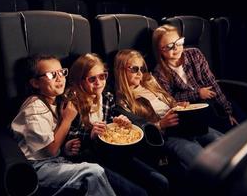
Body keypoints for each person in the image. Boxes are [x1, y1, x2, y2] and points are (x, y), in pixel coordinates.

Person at [11, 54, 147, 196]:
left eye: (61, 72)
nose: (59, 78)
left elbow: (55, 139)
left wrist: (65, 147)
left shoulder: (56, 101)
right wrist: (67, 120)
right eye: (52, 75)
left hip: (57, 159)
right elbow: (49, 150)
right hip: (35, 167)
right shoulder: (35, 107)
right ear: (35, 83)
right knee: (93, 171)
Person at [65, 53, 169, 196]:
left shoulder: (107, 98)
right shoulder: (72, 103)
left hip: (113, 154)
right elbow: (70, 141)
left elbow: (110, 123)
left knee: (161, 181)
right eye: (92, 79)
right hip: (90, 159)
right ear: (80, 81)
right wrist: (90, 135)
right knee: (139, 193)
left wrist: (120, 123)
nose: (99, 82)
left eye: (102, 76)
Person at [113, 49, 223, 171]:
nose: (140, 73)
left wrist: (178, 106)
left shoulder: (149, 81)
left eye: (141, 69)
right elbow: (138, 129)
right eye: (134, 69)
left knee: (222, 143)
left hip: (182, 124)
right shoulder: (122, 100)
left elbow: (170, 101)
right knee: (204, 161)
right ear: (121, 70)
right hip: (166, 135)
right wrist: (161, 124)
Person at [152, 24, 242, 131]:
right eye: (169, 46)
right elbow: (170, 99)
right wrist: (197, 93)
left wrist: (228, 111)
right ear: (159, 50)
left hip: (213, 99)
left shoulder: (195, 54)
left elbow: (211, 82)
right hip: (192, 108)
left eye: (179, 42)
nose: (176, 48)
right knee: (224, 127)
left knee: (239, 117)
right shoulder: (159, 72)